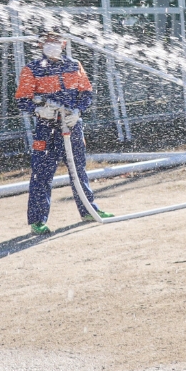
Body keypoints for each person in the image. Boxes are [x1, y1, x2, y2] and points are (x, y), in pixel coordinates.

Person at [16, 30, 114, 235]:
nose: (51, 43)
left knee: (78, 170)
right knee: (42, 174)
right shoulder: (31, 69)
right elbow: (22, 100)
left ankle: (89, 211)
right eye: (47, 40)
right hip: (46, 128)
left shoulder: (74, 65)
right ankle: (37, 220)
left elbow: (86, 93)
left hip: (72, 125)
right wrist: (39, 110)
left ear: (63, 43)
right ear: (40, 44)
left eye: (55, 40)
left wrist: (78, 111)